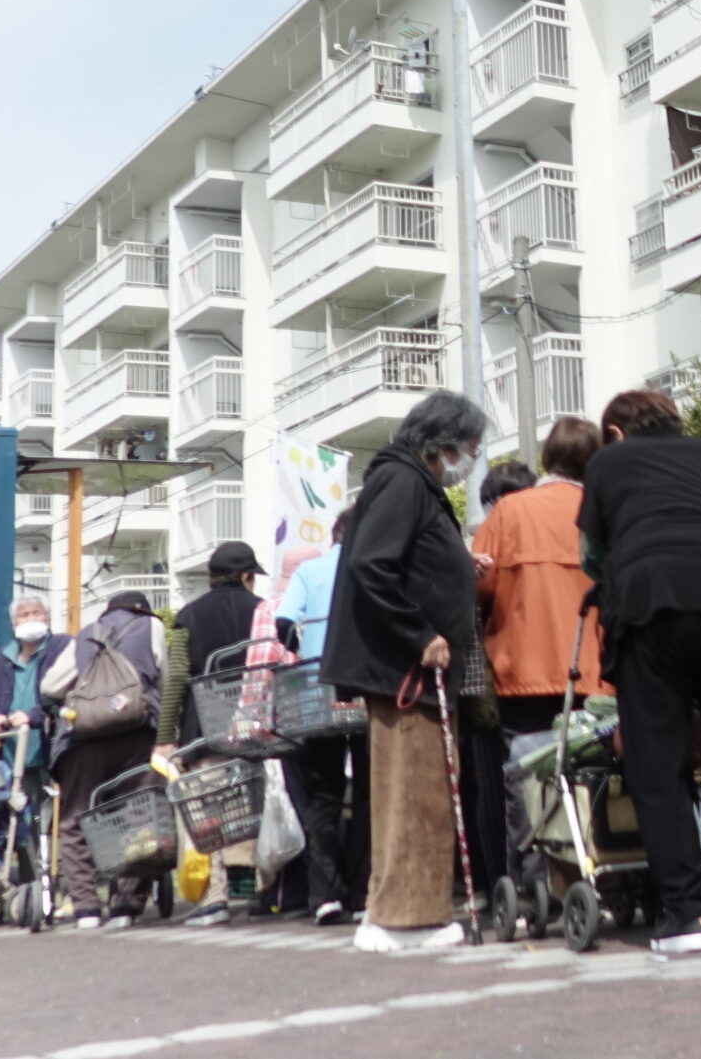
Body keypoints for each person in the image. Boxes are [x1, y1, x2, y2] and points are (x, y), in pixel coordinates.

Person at [577, 388, 701, 956]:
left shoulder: (609, 461)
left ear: (616, 431)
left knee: (658, 764)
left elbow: (591, 554)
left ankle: (690, 912)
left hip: (653, 611)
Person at [320, 390, 489, 954]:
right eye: (468, 448)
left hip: (406, 668)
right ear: (438, 444)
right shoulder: (403, 481)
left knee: (413, 792)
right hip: (407, 668)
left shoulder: (409, 482)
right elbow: (374, 565)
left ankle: (395, 912)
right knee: (417, 793)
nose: (470, 460)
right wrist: (421, 634)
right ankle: (405, 919)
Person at [472, 417, 608, 921]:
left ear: (547, 457)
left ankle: (536, 886)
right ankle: (596, 871)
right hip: (594, 672)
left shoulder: (508, 511)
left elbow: (477, 585)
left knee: (527, 781)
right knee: (594, 776)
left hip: (522, 671)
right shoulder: (599, 510)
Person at [156, 539, 268, 927]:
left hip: (204, 730)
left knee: (207, 816)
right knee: (256, 811)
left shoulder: (188, 615)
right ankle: (263, 894)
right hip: (259, 728)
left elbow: (175, 681)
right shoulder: (262, 611)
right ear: (246, 577)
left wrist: (165, 736)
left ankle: (214, 899)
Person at [47, 590, 166, 930]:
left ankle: (85, 905)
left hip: (84, 740)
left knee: (75, 819)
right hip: (137, 734)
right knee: (140, 816)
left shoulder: (86, 635)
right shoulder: (150, 627)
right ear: (143, 610)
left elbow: (52, 685)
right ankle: (126, 904)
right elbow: (168, 677)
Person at [278, 516, 367, 926]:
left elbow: (283, 624)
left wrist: (307, 645)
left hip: (318, 689)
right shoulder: (372, 563)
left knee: (322, 795)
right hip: (367, 688)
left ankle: (325, 895)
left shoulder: (309, 570)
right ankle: (364, 892)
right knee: (369, 792)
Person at [0, 597, 69, 830]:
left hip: (50, 750)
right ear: (13, 624)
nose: (31, 619)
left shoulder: (62, 648)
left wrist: (34, 716)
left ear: (48, 618)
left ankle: (49, 862)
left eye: (36, 613)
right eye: (24, 615)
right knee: (16, 820)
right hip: (12, 754)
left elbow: (70, 695)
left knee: (51, 817)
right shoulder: (3, 658)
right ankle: (23, 863)